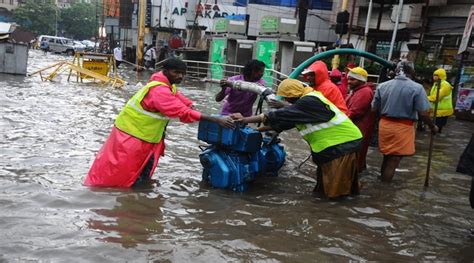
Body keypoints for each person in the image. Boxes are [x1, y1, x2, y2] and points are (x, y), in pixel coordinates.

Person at [84, 59, 234, 187]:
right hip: (132, 138)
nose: (180, 76)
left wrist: (190, 104)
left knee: (132, 170)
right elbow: (180, 111)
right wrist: (215, 119)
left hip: (140, 136)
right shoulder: (159, 91)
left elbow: (180, 99)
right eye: (176, 72)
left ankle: (135, 195)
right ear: (166, 71)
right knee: (122, 172)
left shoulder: (164, 84)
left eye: (183, 73)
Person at [231, 79, 363, 199]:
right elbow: (283, 123)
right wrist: (254, 130)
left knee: (336, 191)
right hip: (333, 147)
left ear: (293, 94)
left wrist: (245, 119)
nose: (287, 101)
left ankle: (334, 213)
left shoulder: (309, 101)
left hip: (342, 145)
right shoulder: (304, 104)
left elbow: (279, 115)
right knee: (324, 188)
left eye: (288, 98)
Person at [371, 61, 438, 183]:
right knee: (394, 160)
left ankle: (381, 182)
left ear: (396, 71)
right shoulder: (417, 88)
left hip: (385, 124)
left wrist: (375, 125)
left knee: (387, 156)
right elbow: (423, 113)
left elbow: (374, 109)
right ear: (412, 72)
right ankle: (384, 193)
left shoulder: (382, 86)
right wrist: (432, 126)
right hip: (402, 126)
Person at [345, 67, 375, 172]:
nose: (349, 82)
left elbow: (355, 111)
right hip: (356, 127)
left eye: (353, 79)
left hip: (360, 128)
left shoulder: (365, 92)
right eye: (348, 79)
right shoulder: (357, 91)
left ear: (361, 80)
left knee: (357, 155)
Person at [428, 68, 454, 133]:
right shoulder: (436, 83)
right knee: (435, 127)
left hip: (443, 110)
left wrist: (425, 98)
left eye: (436, 75)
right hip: (437, 110)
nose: (434, 76)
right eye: (434, 75)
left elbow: (436, 97)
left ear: (440, 76)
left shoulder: (445, 85)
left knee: (437, 127)